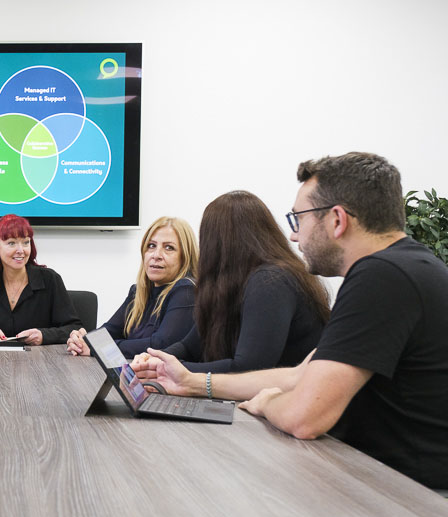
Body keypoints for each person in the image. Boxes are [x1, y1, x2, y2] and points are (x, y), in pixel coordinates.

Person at [137, 152, 448, 489]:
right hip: (387, 477)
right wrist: (191, 383)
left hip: (409, 496)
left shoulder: (381, 277)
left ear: (337, 220)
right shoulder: (407, 265)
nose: (294, 236)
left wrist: (270, 401)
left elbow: (304, 417)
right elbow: (302, 375)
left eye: (299, 219)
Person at [136, 191, 330, 374]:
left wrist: (168, 370)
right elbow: (191, 345)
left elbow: (248, 368)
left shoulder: (271, 281)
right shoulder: (235, 285)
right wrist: (157, 359)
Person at [66, 217, 198, 357]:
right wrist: (82, 341)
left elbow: (160, 345)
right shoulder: (137, 292)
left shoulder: (186, 291)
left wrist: (100, 348)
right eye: (151, 246)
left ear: (185, 257)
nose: (156, 255)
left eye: (169, 248)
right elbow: (109, 331)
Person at [0, 214, 82, 345]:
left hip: (42, 359)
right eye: (11, 243)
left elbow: (74, 328)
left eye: (26, 242)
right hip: (1, 358)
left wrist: (43, 336)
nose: (21, 250)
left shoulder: (49, 279)